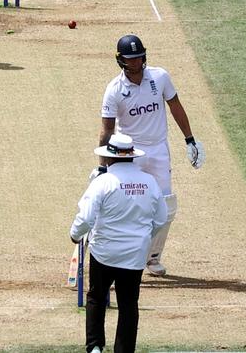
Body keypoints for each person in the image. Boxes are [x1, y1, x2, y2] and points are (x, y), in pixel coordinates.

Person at [97, 34, 203, 277]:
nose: (135, 63)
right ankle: (114, 257)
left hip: (158, 150)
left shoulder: (160, 77)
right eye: (130, 59)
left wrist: (190, 139)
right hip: (128, 153)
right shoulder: (114, 90)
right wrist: (103, 167)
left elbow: (175, 106)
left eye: (138, 57)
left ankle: (152, 257)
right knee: (124, 205)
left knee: (166, 206)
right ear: (120, 60)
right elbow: (107, 130)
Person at [70, 133, 168, 353]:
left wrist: (75, 235)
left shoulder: (103, 182)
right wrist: (142, 237)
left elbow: (85, 218)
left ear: (109, 159)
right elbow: (161, 218)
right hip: (134, 256)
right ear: (131, 157)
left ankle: (95, 347)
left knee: (96, 297)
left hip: (104, 252)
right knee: (128, 304)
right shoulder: (149, 181)